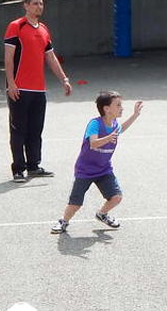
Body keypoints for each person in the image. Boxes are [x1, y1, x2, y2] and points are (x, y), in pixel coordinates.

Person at [51, 92, 143, 234]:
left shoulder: (114, 124)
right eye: (118, 105)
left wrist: (135, 115)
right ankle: (63, 221)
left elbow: (121, 129)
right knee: (75, 203)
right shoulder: (95, 124)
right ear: (106, 109)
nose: (121, 108)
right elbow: (93, 144)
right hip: (85, 170)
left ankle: (102, 214)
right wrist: (109, 137)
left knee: (116, 197)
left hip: (104, 170)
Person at [5, 0, 72, 183]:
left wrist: (64, 79)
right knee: (18, 129)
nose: (38, 7)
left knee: (35, 129)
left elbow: (50, 57)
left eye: (41, 4)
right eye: (34, 4)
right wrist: (11, 83)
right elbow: (9, 58)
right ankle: (18, 169)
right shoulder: (16, 26)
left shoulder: (43, 29)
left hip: (38, 89)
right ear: (25, 5)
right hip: (19, 87)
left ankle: (34, 165)